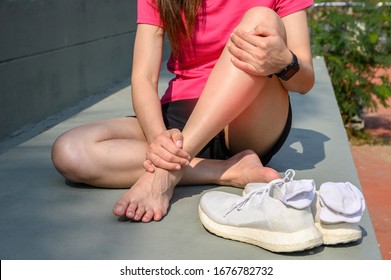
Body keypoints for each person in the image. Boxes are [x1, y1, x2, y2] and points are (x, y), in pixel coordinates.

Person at [51, 0, 315, 223]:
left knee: (262, 17)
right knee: (71, 150)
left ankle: (166, 175)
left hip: (248, 119)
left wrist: (285, 62)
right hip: (179, 115)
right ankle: (227, 170)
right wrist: (158, 139)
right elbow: (143, 78)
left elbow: (304, 81)